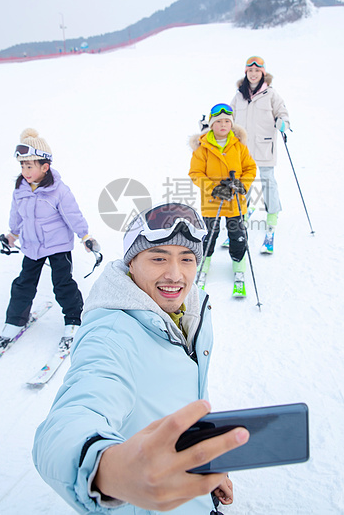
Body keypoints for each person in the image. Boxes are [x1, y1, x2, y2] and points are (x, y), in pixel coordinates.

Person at [32, 202, 249, 514]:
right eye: (158, 258)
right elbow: (70, 421)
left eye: (187, 259)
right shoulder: (111, 335)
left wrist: (203, 464)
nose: (175, 275)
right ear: (131, 262)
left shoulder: (188, 309)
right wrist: (110, 471)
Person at [0, 128, 100, 353]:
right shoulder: (20, 189)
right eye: (22, 166)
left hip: (57, 246)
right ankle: (15, 321)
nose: (25, 171)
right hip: (32, 246)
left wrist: (85, 236)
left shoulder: (58, 191)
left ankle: (74, 319)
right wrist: (12, 233)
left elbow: (73, 214)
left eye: (29, 166)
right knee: (23, 284)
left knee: (62, 284)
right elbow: (17, 213)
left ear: (45, 166)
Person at [189, 104, 257, 296]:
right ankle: (203, 266)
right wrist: (214, 188)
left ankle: (239, 267)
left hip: (236, 201)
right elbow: (195, 173)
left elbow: (250, 168)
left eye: (227, 121)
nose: (223, 125)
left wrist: (242, 184)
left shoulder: (239, 146)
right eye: (218, 121)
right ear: (211, 124)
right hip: (212, 202)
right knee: (209, 234)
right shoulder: (203, 148)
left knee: (238, 235)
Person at [230, 56, 290, 254]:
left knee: (267, 181)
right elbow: (228, 116)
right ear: (246, 73)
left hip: (264, 147)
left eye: (257, 71)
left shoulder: (271, 94)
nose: (253, 74)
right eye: (250, 71)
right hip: (243, 149)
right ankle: (243, 212)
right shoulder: (239, 95)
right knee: (241, 182)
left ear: (263, 73)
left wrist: (282, 123)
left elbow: (283, 113)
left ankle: (272, 215)